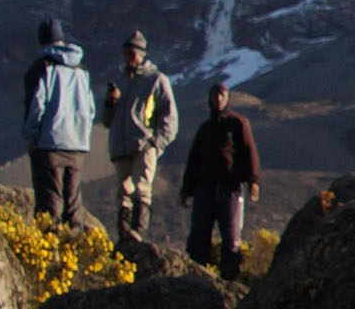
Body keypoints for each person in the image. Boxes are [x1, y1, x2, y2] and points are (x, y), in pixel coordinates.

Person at [102, 30, 178, 245]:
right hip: (120, 146)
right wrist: (110, 102)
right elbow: (106, 120)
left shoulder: (156, 80)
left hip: (144, 145)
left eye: (133, 54)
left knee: (142, 188)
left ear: (142, 54)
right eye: (126, 54)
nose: (129, 58)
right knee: (123, 192)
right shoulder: (118, 81)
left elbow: (169, 116)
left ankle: (138, 232)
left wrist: (156, 142)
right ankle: (124, 233)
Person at [180, 83, 261, 279]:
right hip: (205, 189)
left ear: (227, 98)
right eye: (215, 95)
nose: (218, 99)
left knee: (231, 239)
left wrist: (253, 180)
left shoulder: (238, 124)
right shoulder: (205, 129)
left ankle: (230, 279)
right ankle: (195, 278)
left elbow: (249, 152)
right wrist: (187, 189)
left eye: (222, 96)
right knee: (199, 237)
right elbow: (194, 160)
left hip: (230, 189)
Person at [21, 19, 96, 224]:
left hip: (49, 144)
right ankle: (74, 244)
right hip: (78, 144)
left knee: (49, 202)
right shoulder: (82, 69)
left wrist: (31, 136)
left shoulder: (43, 68)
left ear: (42, 42)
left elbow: (37, 104)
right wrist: (83, 133)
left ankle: (49, 247)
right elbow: (90, 109)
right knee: (73, 203)